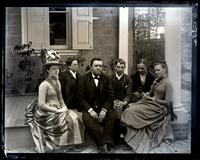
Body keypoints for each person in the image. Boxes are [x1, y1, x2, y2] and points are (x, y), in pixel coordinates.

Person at [25, 50, 84, 153]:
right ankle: (59, 147)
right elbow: (41, 104)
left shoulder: (58, 82)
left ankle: (71, 144)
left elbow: (60, 98)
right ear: (48, 70)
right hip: (46, 112)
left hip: (59, 108)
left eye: (58, 69)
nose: (57, 71)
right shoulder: (44, 85)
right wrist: (56, 111)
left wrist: (65, 108)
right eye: (53, 69)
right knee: (65, 121)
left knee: (75, 118)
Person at [120, 61, 175, 153]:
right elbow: (150, 93)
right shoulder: (157, 80)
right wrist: (147, 95)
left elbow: (168, 102)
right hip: (150, 104)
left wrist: (154, 99)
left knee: (132, 111)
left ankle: (132, 141)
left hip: (159, 108)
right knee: (129, 107)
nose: (156, 72)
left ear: (165, 70)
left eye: (158, 70)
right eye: (155, 70)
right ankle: (129, 139)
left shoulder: (168, 83)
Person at [77, 57, 117, 153]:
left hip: (103, 107)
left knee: (112, 117)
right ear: (91, 67)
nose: (99, 68)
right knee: (87, 120)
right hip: (89, 108)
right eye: (96, 66)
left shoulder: (106, 79)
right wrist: (90, 111)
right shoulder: (83, 79)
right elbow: (80, 98)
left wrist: (104, 110)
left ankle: (104, 144)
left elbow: (110, 97)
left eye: (100, 66)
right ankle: (104, 144)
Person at [111, 59, 132, 144]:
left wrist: (124, 102)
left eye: (122, 67)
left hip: (123, 102)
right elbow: (108, 93)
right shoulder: (109, 78)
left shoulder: (128, 79)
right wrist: (114, 101)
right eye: (118, 67)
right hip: (112, 101)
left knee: (128, 112)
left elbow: (129, 95)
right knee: (115, 113)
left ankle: (125, 135)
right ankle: (116, 136)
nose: (120, 69)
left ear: (125, 68)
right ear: (115, 67)